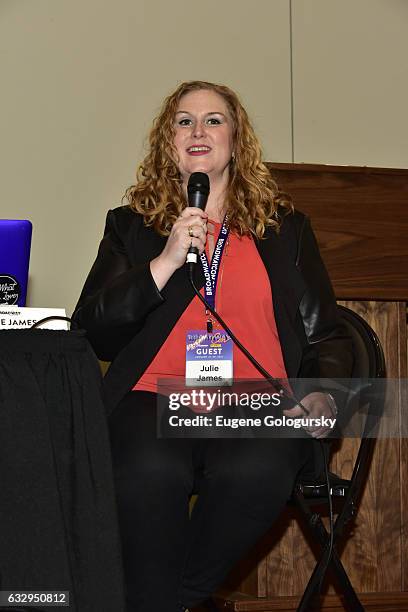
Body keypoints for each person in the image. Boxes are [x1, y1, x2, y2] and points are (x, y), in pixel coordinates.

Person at [73, 80, 353, 612]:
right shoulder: (133, 228)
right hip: (154, 398)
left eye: (214, 119)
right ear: (168, 141)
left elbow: (327, 333)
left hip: (255, 403)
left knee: (258, 470)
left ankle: (165, 601)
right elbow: (91, 325)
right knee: (150, 470)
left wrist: (324, 393)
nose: (198, 131)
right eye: (184, 120)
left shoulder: (284, 230)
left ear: (236, 139)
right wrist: (164, 262)